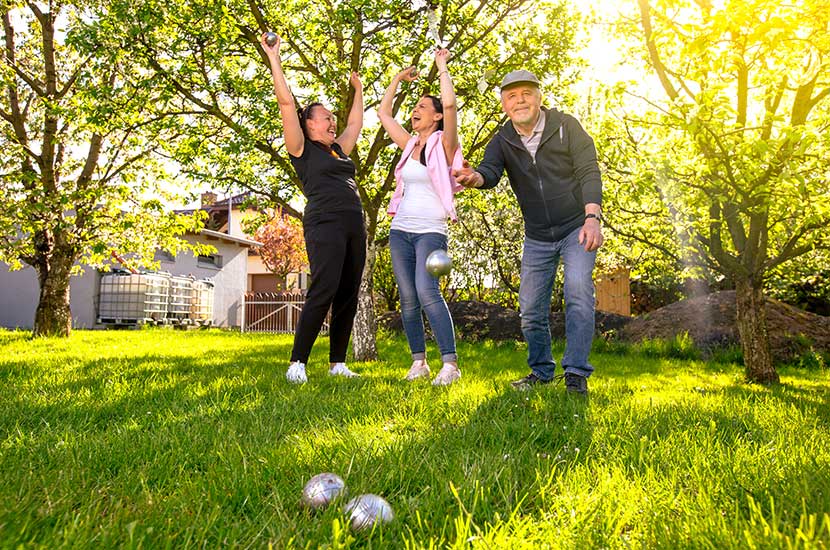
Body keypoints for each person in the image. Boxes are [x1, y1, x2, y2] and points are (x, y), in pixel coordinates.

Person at [453, 70, 603, 394]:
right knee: (531, 311)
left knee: (577, 292)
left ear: (539, 97)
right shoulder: (503, 139)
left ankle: (576, 372)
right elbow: (489, 172)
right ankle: (541, 371)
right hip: (537, 236)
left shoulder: (566, 127)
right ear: (504, 105)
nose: (519, 100)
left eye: (526, 93)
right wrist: (473, 177)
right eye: (511, 96)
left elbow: (589, 169)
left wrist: (592, 217)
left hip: (576, 227)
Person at [261, 33, 366, 384]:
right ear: (309, 124)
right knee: (324, 288)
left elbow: (356, 124)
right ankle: (297, 364)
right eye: (325, 118)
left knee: (349, 291)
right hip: (325, 223)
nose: (332, 122)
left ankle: (337, 363)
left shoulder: (339, 149)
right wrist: (275, 57)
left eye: (332, 118)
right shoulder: (301, 148)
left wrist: (359, 89)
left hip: (354, 224)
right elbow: (286, 105)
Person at [378, 49, 465, 386]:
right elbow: (384, 114)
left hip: (431, 230)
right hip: (400, 230)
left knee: (427, 291)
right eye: (414, 108)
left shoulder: (444, 144)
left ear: (437, 117)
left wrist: (441, 66)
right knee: (408, 297)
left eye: (423, 107)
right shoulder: (408, 144)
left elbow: (452, 106)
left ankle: (450, 365)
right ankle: (419, 363)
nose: (415, 111)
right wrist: (398, 79)